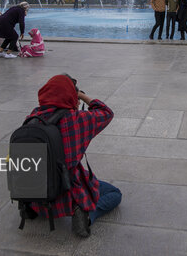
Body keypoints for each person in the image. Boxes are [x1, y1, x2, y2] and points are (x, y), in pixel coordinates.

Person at [24, 74, 121, 237]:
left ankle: (32, 208)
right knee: (114, 194)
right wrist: (82, 96)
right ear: (71, 95)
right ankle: (87, 214)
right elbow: (106, 112)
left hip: (35, 190)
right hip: (68, 189)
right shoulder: (77, 119)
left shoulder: (34, 116)